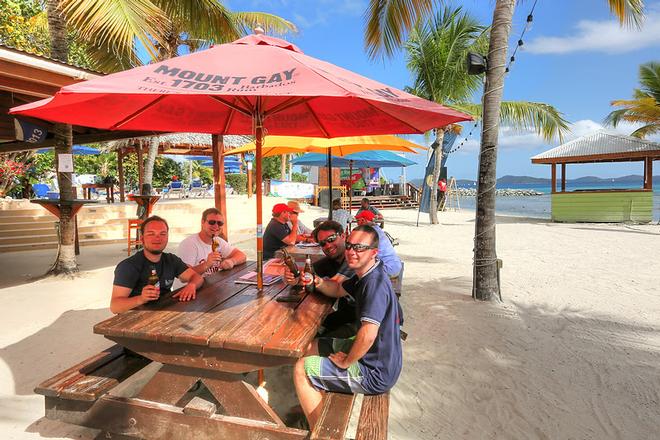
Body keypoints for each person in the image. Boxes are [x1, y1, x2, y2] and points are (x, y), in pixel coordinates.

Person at [293, 225, 403, 429]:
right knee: (310, 347)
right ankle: (314, 400)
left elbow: (368, 334)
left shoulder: (374, 285)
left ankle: (323, 432)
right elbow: (335, 288)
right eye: (350, 246)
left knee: (301, 369)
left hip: (374, 371)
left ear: (374, 252)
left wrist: (347, 361)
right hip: (377, 356)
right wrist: (316, 281)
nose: (352, 251)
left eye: (360, 248)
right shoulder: (366, 273)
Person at [111, 216, 204, 314]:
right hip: (134, 319)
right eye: (151, 234)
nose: (157, 238)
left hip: (164, 314)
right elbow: (115, 306)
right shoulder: (128, 266)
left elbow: (197, 277)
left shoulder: (171, 260)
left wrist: (192, 285)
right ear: (142, 239)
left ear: (167, 237)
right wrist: (141, 299)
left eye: (162, 234)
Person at [285, 220, 357, 337]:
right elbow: (307, 275)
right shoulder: (330, 261)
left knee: (307, 339)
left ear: (343, 236)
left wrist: (316, 282)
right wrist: (294, 278)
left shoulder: (353, 258)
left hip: (363, 324)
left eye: (331, 239)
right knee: (301, 330)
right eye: (323, 243)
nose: (328, 245)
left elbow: (336, 286)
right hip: (345, 314)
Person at [177, 208, 246, 276]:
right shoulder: (189, 244)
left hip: (212, 284)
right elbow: (184, 275)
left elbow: (242, 255)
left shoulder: (217, 241)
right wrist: (207, 264)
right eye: (212, 222)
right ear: (202, 222)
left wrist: (232, 261)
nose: (216, 226)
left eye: (220, 223)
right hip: (191, 286)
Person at [354, 210, 402, 277]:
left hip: (388, 267)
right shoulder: (376, 229)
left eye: (358, 221)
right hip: (394, 264)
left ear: (363, 220)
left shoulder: (370, 233)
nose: (357, 224)